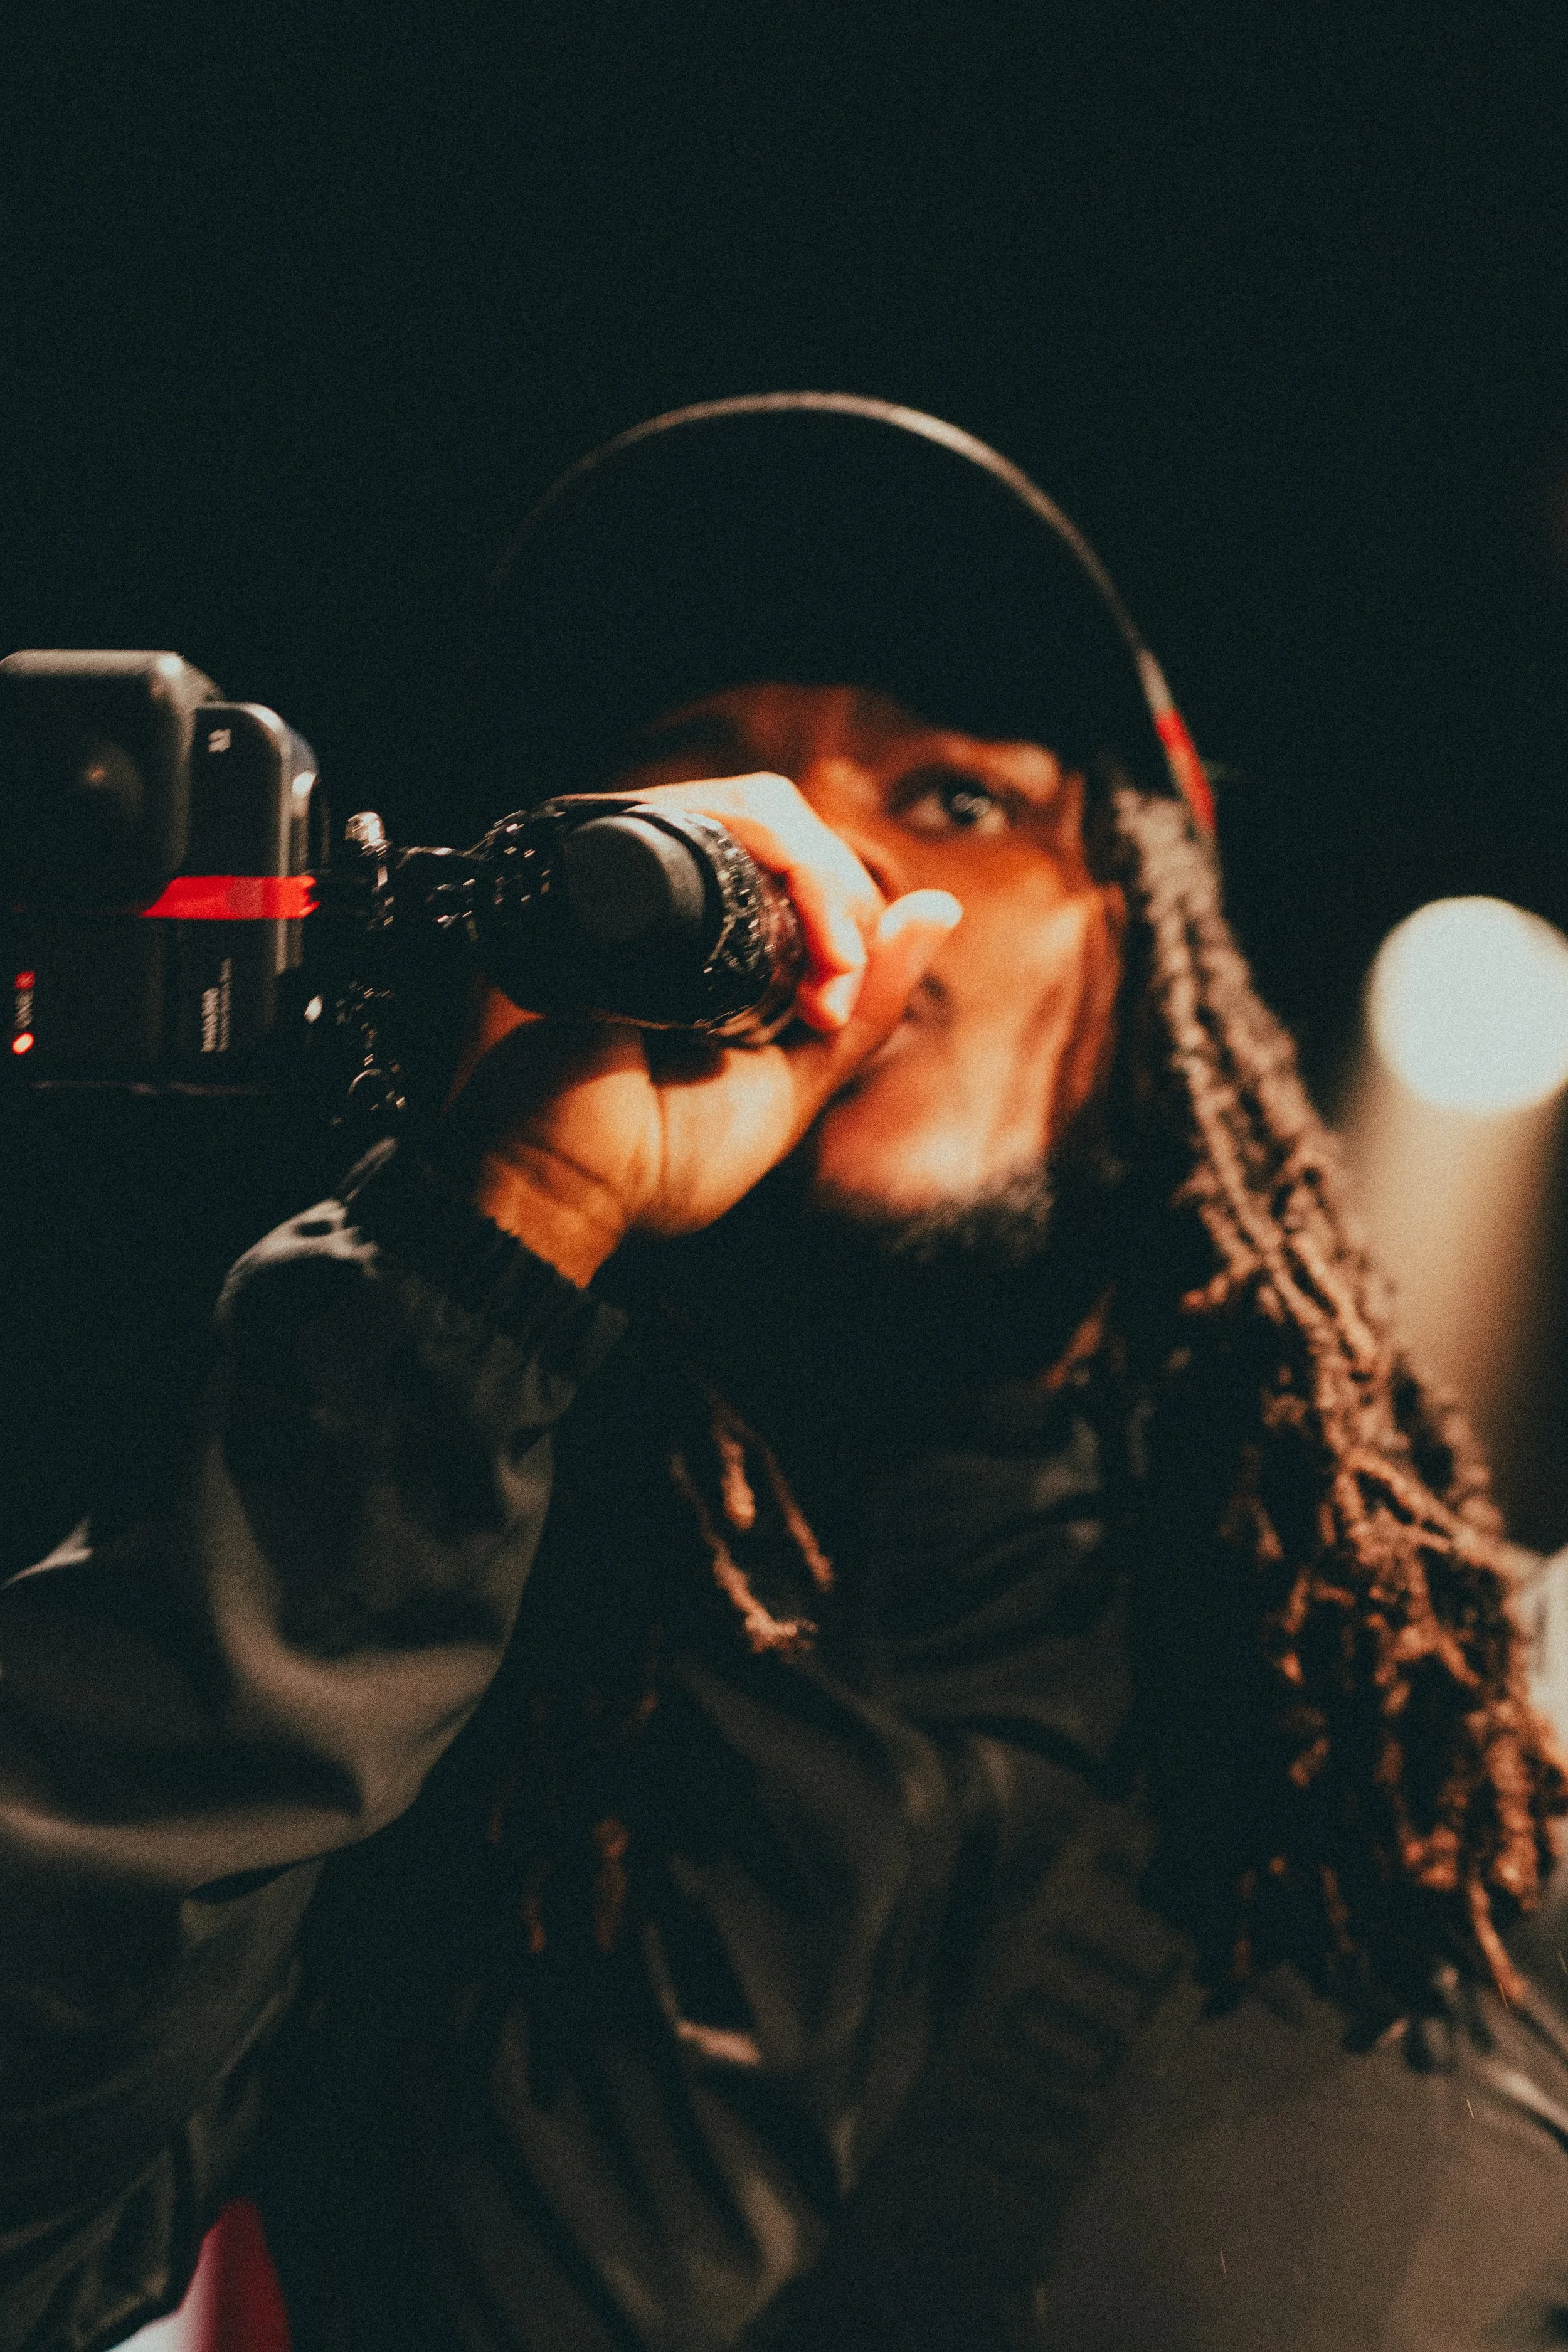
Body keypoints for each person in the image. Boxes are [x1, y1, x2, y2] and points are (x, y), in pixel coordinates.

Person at [4, 393, 1568, 2352]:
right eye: (699, 797)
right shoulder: (395, 1711)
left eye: (954, 799)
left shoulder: (1472, 1749)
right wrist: (487, 1231)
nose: (824, 867)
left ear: (1143, 935)